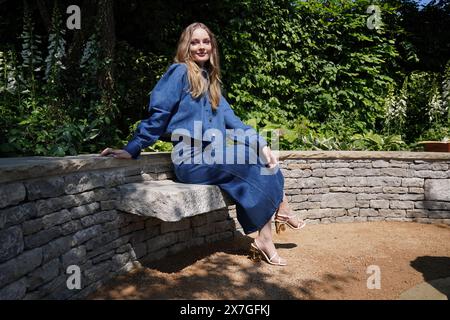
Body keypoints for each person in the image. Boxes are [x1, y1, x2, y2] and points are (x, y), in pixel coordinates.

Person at [100, 22, 305, 266]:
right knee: (250, 157)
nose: (201, 46)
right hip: (190, 159)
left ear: (212, 46)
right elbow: (158, 114)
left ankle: (266, 236)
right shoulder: (178, 73)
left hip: (215, 157)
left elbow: (235, 124)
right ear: (186, 46)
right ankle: (281, 208)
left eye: (205, 41)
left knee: (261, 153)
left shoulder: (213, 84)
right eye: (195, 42)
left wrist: (263, 145)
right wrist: (132, 147)